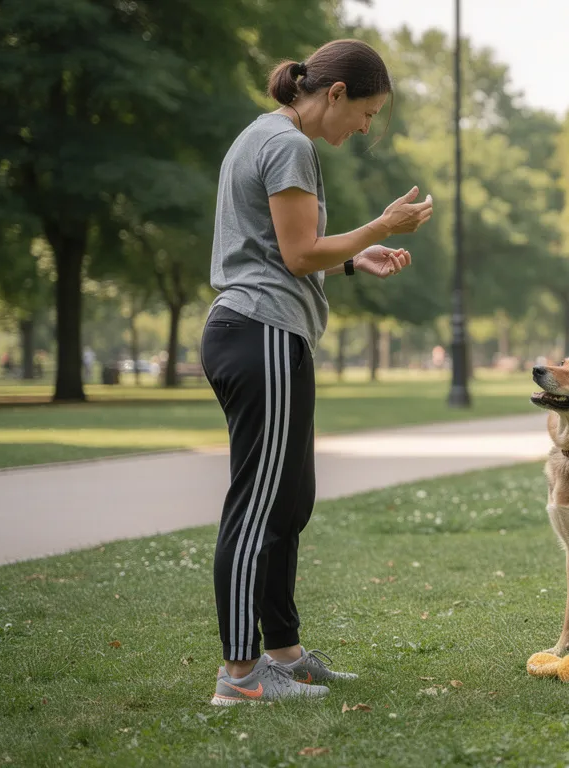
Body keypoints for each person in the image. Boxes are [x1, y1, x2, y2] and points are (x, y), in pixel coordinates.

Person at [200, 39, 433, 706]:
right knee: (255, 509)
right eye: (367, 113)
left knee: (288, 502)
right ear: (335, 95)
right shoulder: (287, 145)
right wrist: (379, 224)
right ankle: (241, 679)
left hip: (270, 332)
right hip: (260, 333)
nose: (365, 128)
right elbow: (298, 255)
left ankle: (286, 656)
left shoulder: (269, 139)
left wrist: (358, 259)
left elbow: (276, 246)